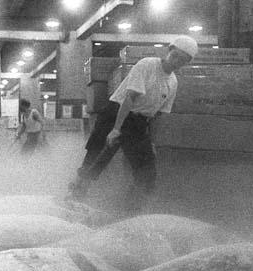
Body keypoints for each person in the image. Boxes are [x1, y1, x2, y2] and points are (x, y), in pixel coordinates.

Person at [67, 35, 199, 210]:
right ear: (169, 50)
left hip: (139, 124)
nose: (176, 61)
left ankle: (129, 212)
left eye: (182, 60)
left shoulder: (173, 82)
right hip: (116, 114)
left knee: (147, 172)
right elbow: (129, 99)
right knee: (96, 159)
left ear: (186, 63)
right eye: (175, 56)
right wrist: (115, 129)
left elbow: (159, 115)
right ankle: (73, 198)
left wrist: (151, 142)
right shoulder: (148, 65)